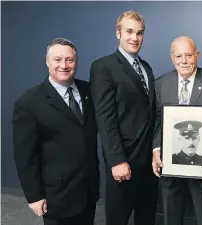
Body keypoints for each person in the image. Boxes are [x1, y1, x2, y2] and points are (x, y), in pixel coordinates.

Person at [12, 37, 99, 225]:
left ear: (76, 62)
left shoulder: (89, 91)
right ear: (47, 61)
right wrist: (34, 196)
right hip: (57, 195)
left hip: (88, 189)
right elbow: (25, 156)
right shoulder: (29, 103)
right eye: (57, 59)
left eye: (70, 60)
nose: (64, 65)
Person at [151, 36, 202, 225]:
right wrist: (156, 150)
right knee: (171, 218)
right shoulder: (160, 84)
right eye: (179, 56)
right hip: (170, 164)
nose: (184, 61)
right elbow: (157, 122)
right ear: (172, 58)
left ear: (197, 55)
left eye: (188, 55)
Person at [89, 10, 157, 225]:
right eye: (129, 31)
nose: (134, 38)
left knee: (146, 217)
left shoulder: (146, 67)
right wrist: (117, 160)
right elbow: (104, 117)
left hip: (149, 162)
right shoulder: (103, 67)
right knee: (118, 219)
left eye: (139, 33)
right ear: (118, 33)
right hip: (123, 159)